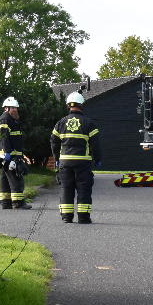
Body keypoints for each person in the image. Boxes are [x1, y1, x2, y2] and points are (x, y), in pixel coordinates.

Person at [50, 92, 102, 224]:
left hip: (65, 162)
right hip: (83, 162)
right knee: (84, 188)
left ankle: (67, 217)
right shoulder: (89, 123)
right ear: (81, 105)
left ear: (68, 106)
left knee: (66, 188)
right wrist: (98, 159)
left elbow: (54, 142)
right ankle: (83, 217)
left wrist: (56, 158)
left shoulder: (60, 123)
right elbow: (95, 144)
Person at [0, 96, 31, 209]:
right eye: (13, 108)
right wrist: (8, 156)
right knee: (16, 178)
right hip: (8, 156)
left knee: (5, 180)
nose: (15, 110)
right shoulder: (5, 120)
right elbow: (4, 139)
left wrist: (22, 155)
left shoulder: (12, 120)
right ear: (6, 108)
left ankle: (6, 203)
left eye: (16, 108)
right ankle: (18, 203)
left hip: (9, 155)